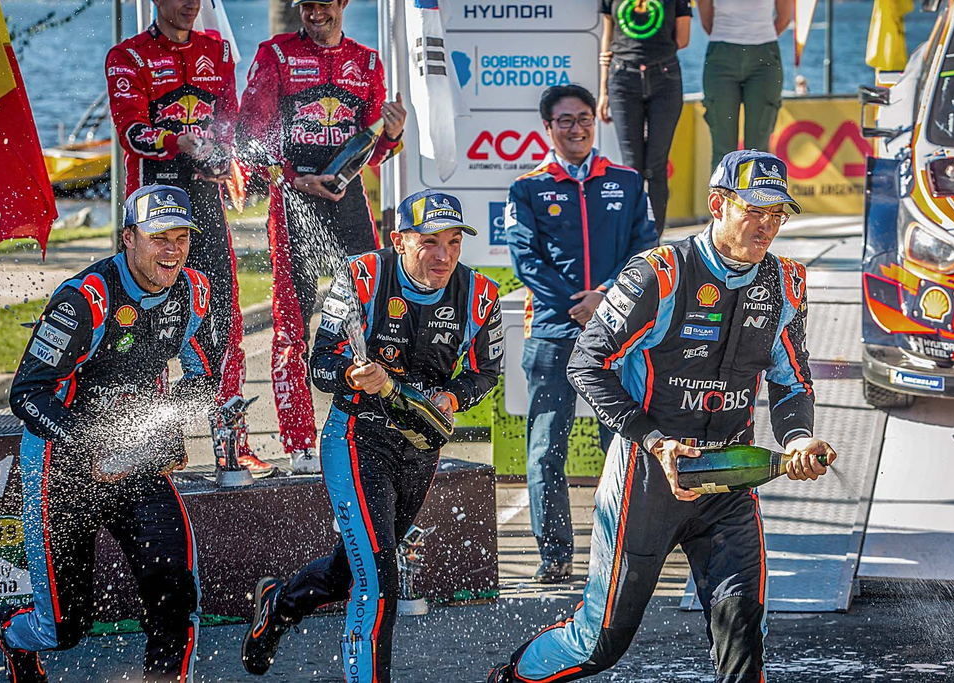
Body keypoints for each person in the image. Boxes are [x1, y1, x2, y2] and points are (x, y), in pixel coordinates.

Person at [488, 149, 839, 683]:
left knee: (743, 636)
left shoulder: (785, 281)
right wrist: (653, 440)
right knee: (600, 643)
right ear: (717, 204)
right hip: (646, 479)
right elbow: (586, 364)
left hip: (728, 480)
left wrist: (797, 438)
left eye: (777, 214)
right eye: (754, 210)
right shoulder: (660, 272)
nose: (767, 226)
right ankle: (508, 678)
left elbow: (792, 379)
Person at [240, 190, 502, 682]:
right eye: (429, 242)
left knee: (349, 570)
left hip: (421, 445)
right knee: (379, 580)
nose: (443, 255)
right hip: (357, 439)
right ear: (399, 240)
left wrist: (450, 399)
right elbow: (322, 363)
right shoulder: (363, 276)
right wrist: (353, 375)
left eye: (453, 242)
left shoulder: (480, 293)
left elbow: (486, 372)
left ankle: (279, 604)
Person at [0, 185, 217, 682]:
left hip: (137, 462)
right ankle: (13, 635)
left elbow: (203, 372)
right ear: (128, 238)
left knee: (176, 593)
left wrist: (172, 418)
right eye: (159, 238)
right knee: (65, 627)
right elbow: (27, 394)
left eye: (181, 238)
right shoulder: (84, 300)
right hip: (62, 470)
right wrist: (93, 447)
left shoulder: (195, 291)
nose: (172, 251)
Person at [236, 0, 407, 474]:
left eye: (324, 4)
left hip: (348, 203)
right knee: (291, 324)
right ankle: (299, 444)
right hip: (293, 201)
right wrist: (293, 178)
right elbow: (250, 140)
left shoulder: (367, 61)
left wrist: (393, 134)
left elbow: (373, 150)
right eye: (307, 5)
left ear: (342, 4)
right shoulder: (276, 54)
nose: (314, 14)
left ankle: (371, 428)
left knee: (373, 313)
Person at [105, 0, 272, 476]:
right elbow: (130, 131)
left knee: (223, 318)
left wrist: (223, 151)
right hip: (152, 205)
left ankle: (232, 442)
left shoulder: (215, 50)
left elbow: (229, 120)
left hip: (203, 204)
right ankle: (153, 446)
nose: (190, 4)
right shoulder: (128, 55)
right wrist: (176, 142)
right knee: (144, 327)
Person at [505, 84, 657, 584]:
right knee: (547, 447)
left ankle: (624, 547)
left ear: (596, 122)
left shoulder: (627, 181)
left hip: (617, 333)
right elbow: (526, 261)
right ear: (548, 128)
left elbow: (645, 251)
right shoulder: (527, 188)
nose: (577, 128)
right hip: (553, 332)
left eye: (584, 118)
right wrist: (579, 306)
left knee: (625, 443)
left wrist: (606, 298)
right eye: (566, 120)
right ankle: (555, 555)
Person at [598, 0, 692, 230]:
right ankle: (633, 237)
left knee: (656, 166)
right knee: (632, 167)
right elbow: (608, 37)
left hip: (665, 78)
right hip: (622, 78)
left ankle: (654, 237)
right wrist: (603, 92)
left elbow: (683, 39)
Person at [699, 0, 793, 171]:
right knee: (723, 150)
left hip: (764, 58)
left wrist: (756, 37)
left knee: (759, 149)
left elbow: (784, 18)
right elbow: (707, 22)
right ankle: (723, 189)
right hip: (721, 56)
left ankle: (755, 189)